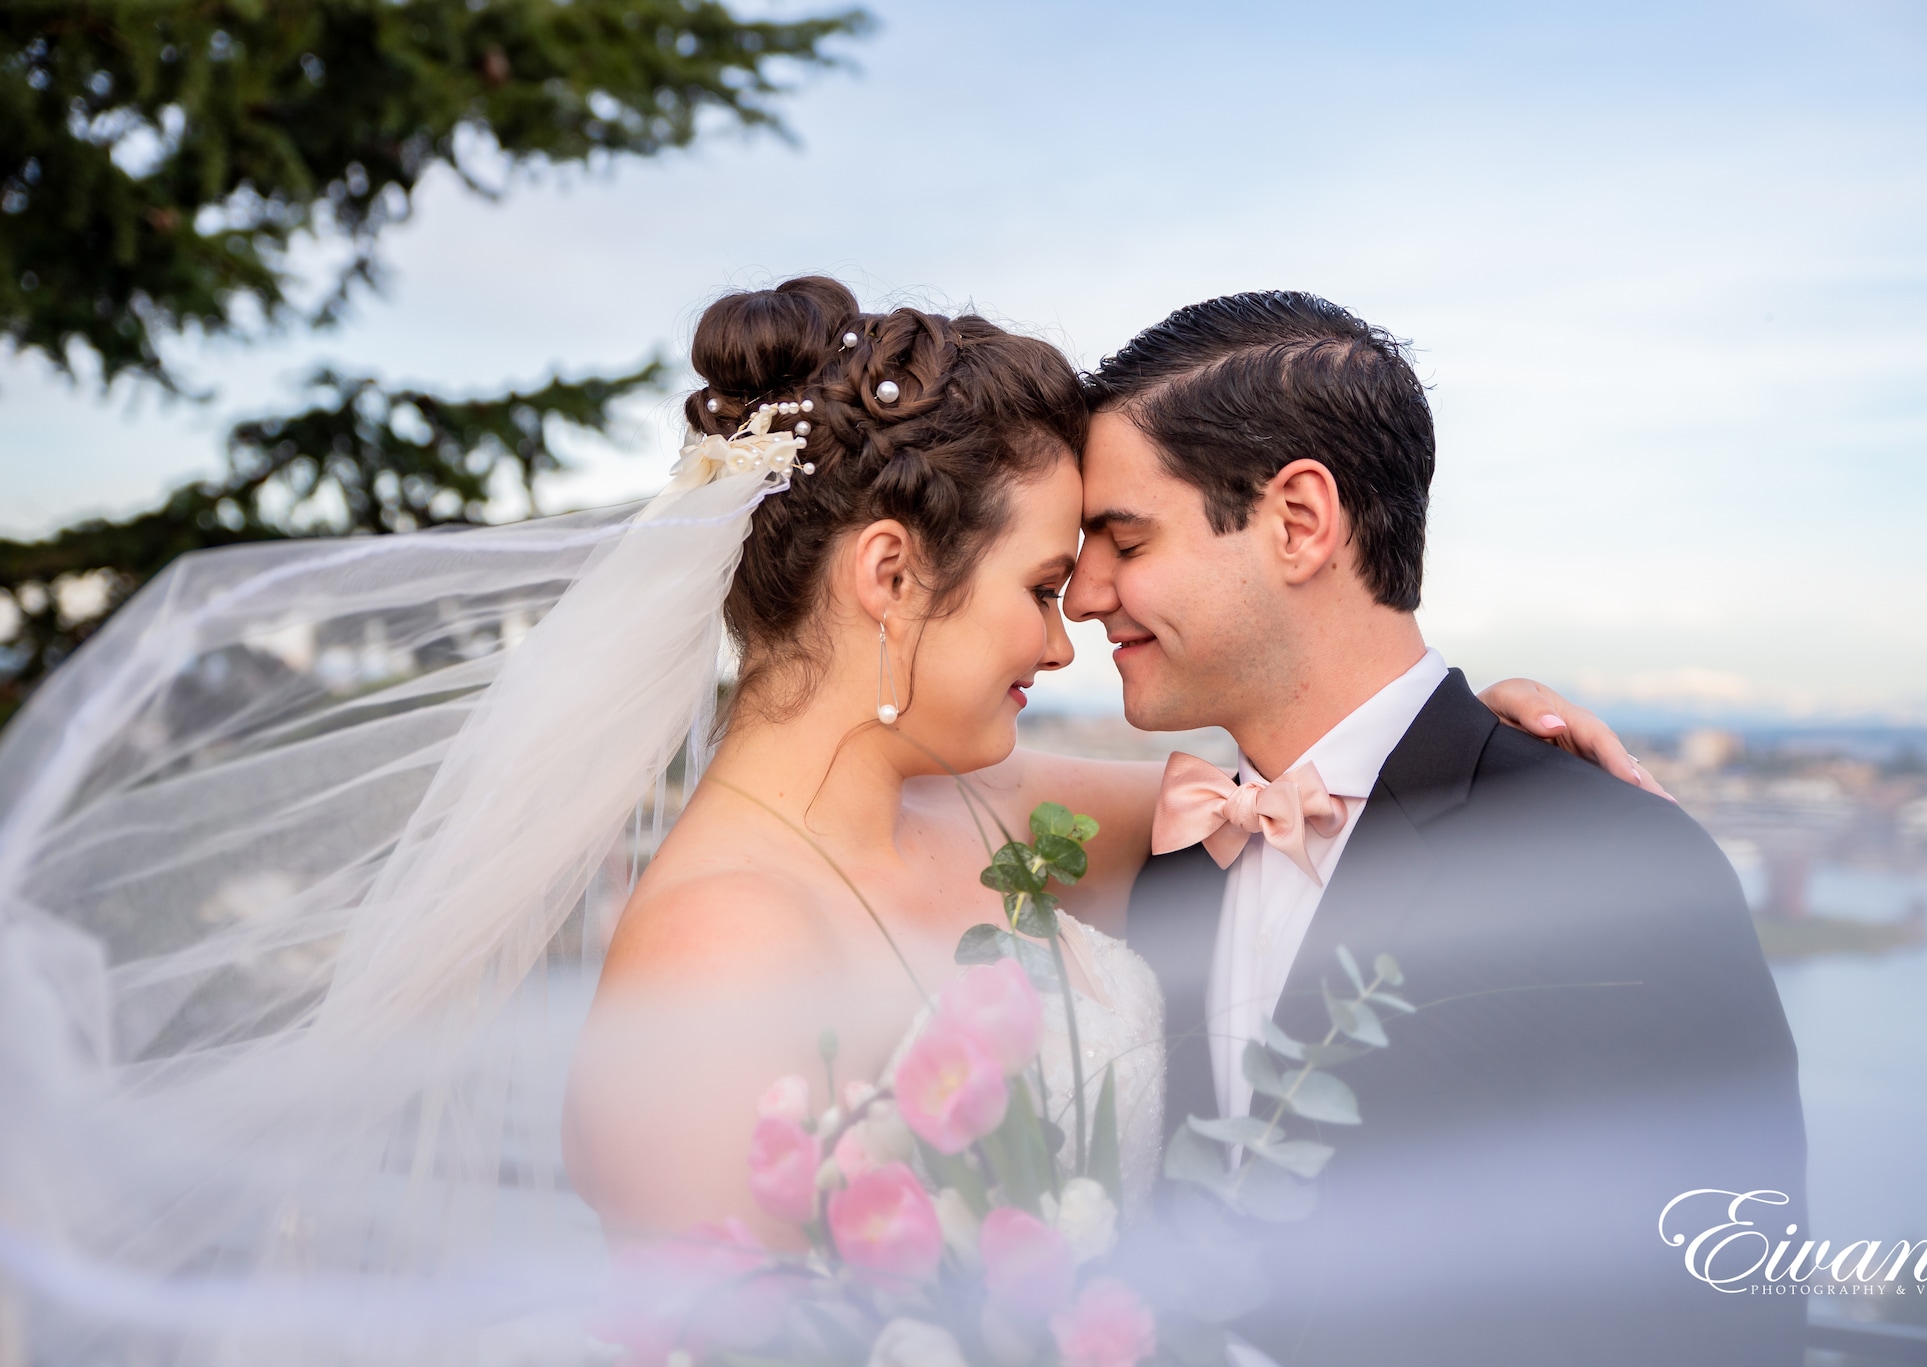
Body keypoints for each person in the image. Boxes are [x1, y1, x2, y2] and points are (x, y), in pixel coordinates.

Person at [0, 273, 1655, 1363]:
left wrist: (1496, 745)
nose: (1067, 625)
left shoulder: (1004, 805)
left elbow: (1302, 805)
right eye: (1033, 579)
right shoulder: (715, 954)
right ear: (886, 578)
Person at [1068, 290, 1809, 1367]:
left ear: (1297, 522)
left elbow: (1719, 1304)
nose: (1084, 593)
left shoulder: (1607, 861)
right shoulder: (1183, 852)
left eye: (1123, 538)